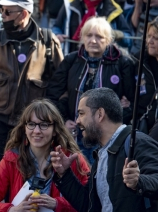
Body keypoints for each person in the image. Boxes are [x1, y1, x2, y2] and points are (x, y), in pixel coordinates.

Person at [51, 88, 158, 212]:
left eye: (82, 113)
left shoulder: (137, 142)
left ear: (100, 114)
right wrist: (64, 175)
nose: (77, 121)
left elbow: (155, 178)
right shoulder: (102, 155)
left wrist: (139, 182)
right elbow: (89, 207)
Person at [0, 0, 63, 164]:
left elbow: (60, 84)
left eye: (7, 12)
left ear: (23, 14)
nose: (2, 16)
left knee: (34, 168)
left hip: (36, 123)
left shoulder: (48, 41)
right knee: (5, 168)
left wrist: (54, 119)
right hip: (1, 120)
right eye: (1, 10)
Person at [0, 99, 89, 212]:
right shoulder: (12, 159)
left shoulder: (71, 159)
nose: (36, 131)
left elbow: (89, 207)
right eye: (31, 124)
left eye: (44, 125)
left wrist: (57, 204)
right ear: (24, 128)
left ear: (55, 129)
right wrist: (12, 210)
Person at [48, 17, 135, 163]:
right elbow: (52, 95)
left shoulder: (122, 63)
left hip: (107, 136)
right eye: (89, 35)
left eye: (99, 36)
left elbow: (134, 102)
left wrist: (115, 121)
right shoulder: (71, 60)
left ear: (108, 40)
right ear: (82, 38)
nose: (93, 41)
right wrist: (64, 120)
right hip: (76, 133)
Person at [52, 0, 132, 53]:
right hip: (74, 60)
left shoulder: (113, 8)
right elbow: (56, 27)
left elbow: (129, 39)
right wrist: (57, 34)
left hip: (105, 62)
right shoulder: (69, 4)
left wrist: (117, 35)